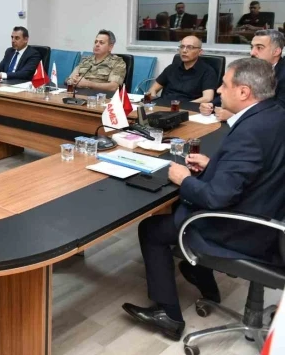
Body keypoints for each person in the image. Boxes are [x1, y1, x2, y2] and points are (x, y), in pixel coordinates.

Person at [122, 58, 285, 341]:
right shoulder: (275, 114)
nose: (219, 91)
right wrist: (214, 166)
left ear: (244, 92)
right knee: (177, 208)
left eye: (225, 85)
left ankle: (168, 314)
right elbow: (261, 169)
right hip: (268, 211)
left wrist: (184, 179)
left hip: (246, 230)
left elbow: (216, 197)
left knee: (151, 229)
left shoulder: (250, 131)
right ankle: (203, 280)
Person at [200, 29, 285, 120]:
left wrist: (236, 116)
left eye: (259, 48)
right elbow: (232, 90)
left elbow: (280, 111)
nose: (252, 53)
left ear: (276, 51)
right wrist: (211, 105)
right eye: (251, 47)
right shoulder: (253, 66)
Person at [146, 36, 217, 103]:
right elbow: (153, 89)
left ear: (200, 52)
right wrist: (154, 101)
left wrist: (183, 106)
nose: (184, 50)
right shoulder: (171, 68)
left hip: (188, 108)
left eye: (190, 47)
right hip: (164, 106)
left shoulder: (207, 71)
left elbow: (208, 98)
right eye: (182, 47)